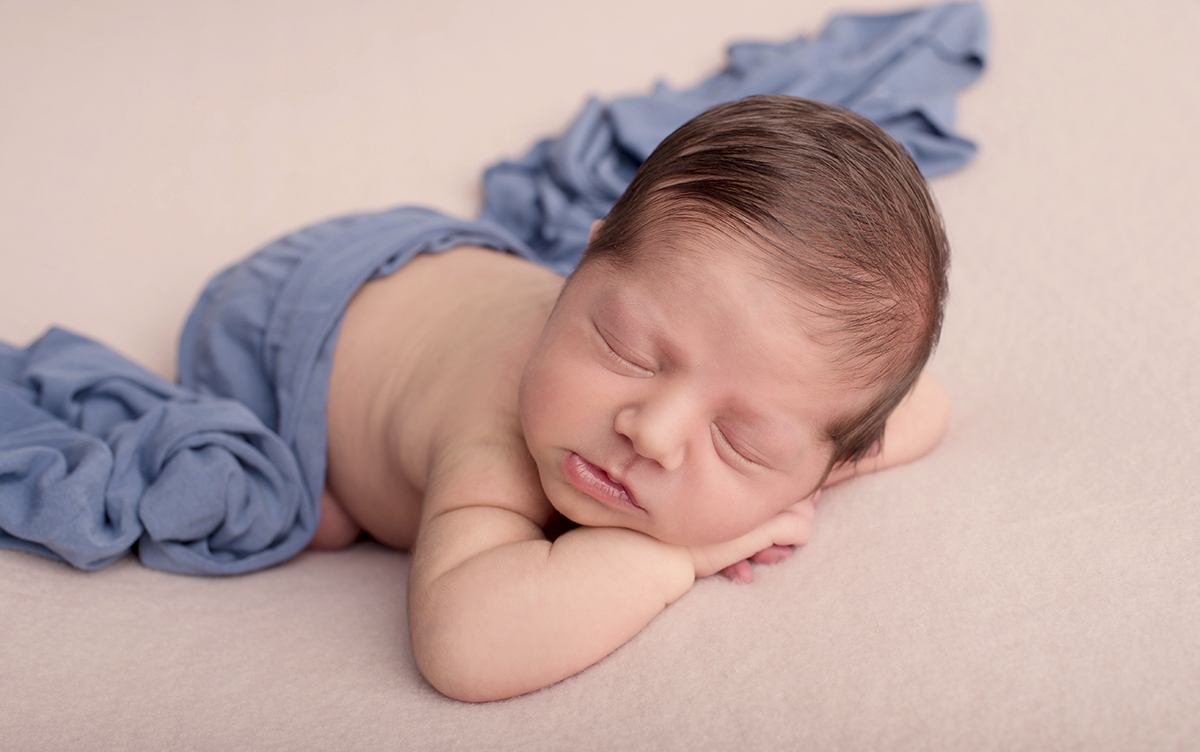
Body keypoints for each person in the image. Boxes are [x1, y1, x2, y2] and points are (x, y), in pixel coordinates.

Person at [288, 95, 952, 701]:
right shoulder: (494, 435)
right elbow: (464, 647)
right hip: (299, 321)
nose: (652, 433)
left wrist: (789, 478)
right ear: (585, 258)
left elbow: (926, 407)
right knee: (310, 504)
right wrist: (679, 554)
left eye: (739, 441)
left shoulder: (790, 408)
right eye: (626, 349)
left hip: (453, 285)